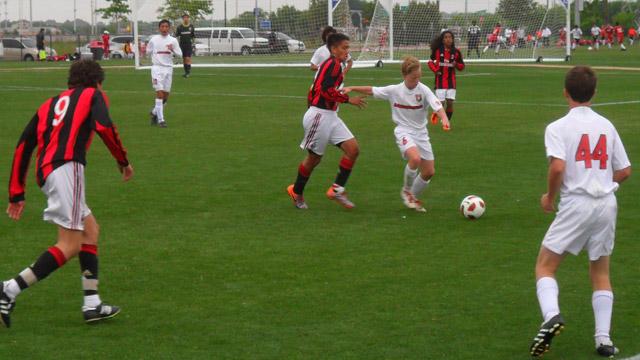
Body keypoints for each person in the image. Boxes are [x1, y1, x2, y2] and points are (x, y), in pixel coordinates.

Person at [0, 60, 133, 328]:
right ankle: (8, 290)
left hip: (48, 172)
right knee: (70, 244)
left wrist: (17, 192)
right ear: (97, 82)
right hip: (67, 168)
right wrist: (122, 159)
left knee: (90, 230)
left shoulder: (49, 104)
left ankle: (92, 304)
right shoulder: (93, 94)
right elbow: (105, 127)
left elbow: (23, 146)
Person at [528, 66, 631, 358]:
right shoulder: (606, 125)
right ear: (594, 93)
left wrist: (549, 196)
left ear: (565, 92)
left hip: (577, 203)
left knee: (545, 266)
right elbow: (624, 170)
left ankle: (551, 316)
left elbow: (558, 166)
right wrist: (603, 184)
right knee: (600, 270)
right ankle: (603, 340)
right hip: (606, 204)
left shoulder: (557, 127)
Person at [343, 57, 450, 212]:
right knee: (415, 158)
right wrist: (352, 88)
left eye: (419, 77)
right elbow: (372, 90)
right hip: (403, 131)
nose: (417, 80)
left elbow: (437, 106)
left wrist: (444, 118)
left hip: (421, 133)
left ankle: (411, 196)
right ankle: (406, 190)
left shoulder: (424, 90)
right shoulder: (395, 91)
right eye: (414, 77)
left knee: (429, 172)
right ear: (404, 75)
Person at [287, 33, 367, 210]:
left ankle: (337, 190)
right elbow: (324, 91)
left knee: (353, 150)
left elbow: (319, 90)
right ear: (334, 49)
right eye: (344, 48)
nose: (348, 51)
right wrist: (348, 100)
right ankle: (297, 192)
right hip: (319, 116)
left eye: (348, 47)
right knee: (314, 158)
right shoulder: (332, 65)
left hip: (331, 115)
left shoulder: (336, 65)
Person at [147, 19, 182, 128]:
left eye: (166, 27)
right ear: (159, 28)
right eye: (162, 26)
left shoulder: (173, 40)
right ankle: (161, 120)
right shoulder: (153, 40)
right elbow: (148, 51)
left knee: (166, 96)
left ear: (169, 28)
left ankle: (154, 112)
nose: (164, 29)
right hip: (157, 69)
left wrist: (173, 50)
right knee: (160, 94)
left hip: (168, 69)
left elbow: (180, 54)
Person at [427, 30, 464, 126]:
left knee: (450, 102)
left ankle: (446, 122)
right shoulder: (438, 51)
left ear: (453, 39)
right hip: (440, 81)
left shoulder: (456, 52)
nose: (448, 39)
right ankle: (436, 113)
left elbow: (462, 66)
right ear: (443, 40)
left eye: (450, 37)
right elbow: (430, 62)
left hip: (451, 81)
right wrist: (435, 70)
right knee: (441, 103)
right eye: (446, 37)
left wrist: (456, 65)